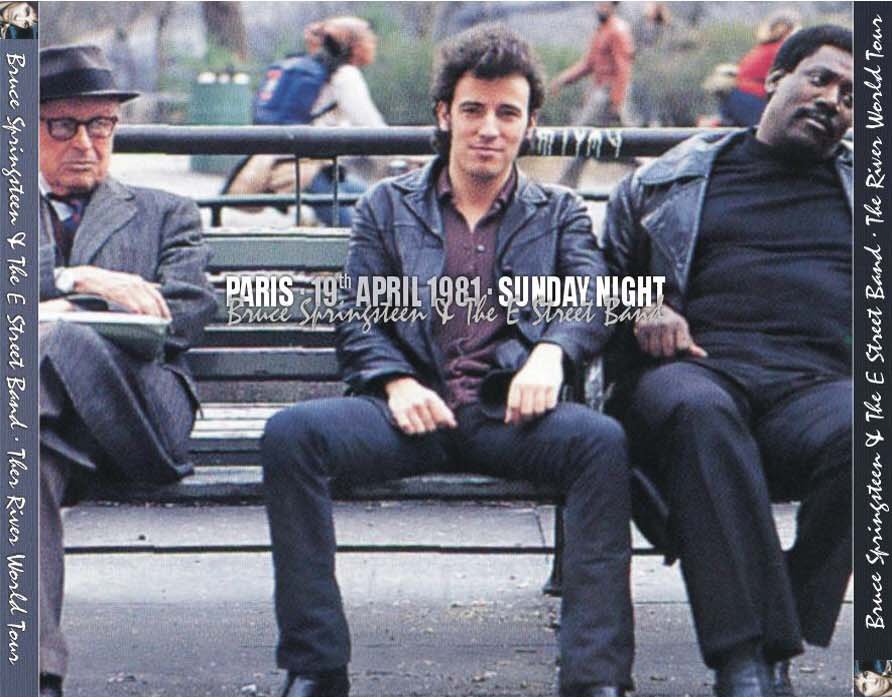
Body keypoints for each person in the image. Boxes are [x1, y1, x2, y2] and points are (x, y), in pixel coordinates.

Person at [261, 24, 633, 697]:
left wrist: (551, 354)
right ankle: (315, 667)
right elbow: (357, 312)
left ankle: (594, 678)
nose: (489, 128)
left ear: (529, 125)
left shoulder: (558, 212)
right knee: (292, 435)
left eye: (507, 113)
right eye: (473, 109)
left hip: (507, 412)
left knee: (601, 443)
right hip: (412, 412)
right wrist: (395, 382)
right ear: (444, 114)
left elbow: (592, 295)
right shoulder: (387, 205)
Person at [601, 25, 852, 697]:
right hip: (698, 370)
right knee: (699, 411)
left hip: (819, 388)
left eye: (852, 97)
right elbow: (596, 278)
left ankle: (779, 625)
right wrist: (642, 304)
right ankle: (742, 663)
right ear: (774, 79)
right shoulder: (670, 179)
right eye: (821, 79)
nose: (833, 101)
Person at [37, 44, 216, 697]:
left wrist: (62, 311)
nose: (85, 143)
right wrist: (77, 278)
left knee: (53, 335)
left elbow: (187, 312)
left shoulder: (167, 212)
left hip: (139, 416)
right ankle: (34, 674)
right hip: (46, 431)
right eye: (64, 125)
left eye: (101, 125)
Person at [226, 15, 384, 224]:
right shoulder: (345, 75)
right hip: (308, 166)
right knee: (353, 228)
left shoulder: (313, 67)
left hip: (296, 161)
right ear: (356, 46)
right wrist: (400, 156)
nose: (372, 44)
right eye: (368, 39)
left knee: (373, 199)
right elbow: (371, 126)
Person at [549, 2, 634, 187]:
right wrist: (563, 80)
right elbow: (588, 64)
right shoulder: (601, 31)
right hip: (600, 92)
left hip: (608, 95)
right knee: (611, 146)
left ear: (613, 6)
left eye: (605, 3)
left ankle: (564, 187)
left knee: (581, 137)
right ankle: (645, 168)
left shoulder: (617, 31)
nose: (600, 6)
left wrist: (617, 101)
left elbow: (623, 68)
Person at [722, 10, 799, 126]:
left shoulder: (763, 48)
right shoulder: (780, 49)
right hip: (751, 98)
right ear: (784, 28)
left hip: (737, 97)